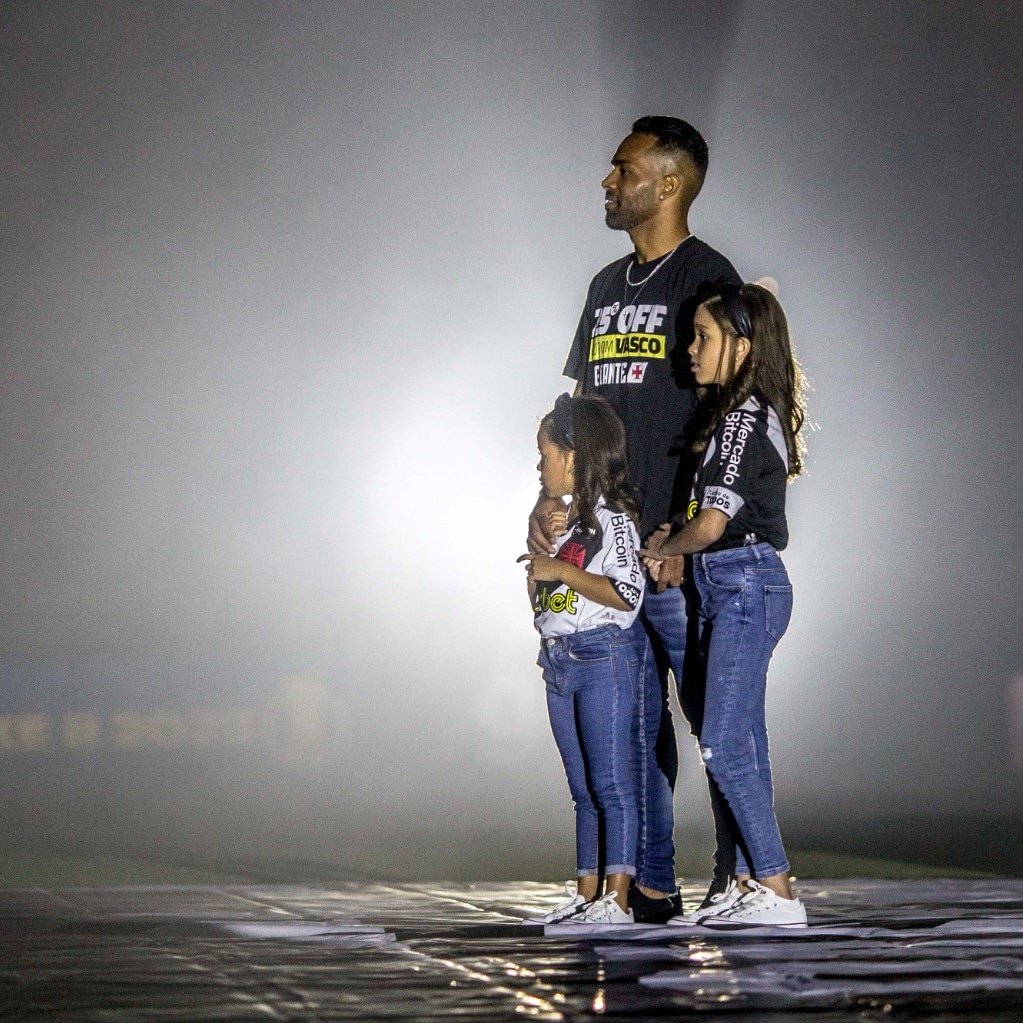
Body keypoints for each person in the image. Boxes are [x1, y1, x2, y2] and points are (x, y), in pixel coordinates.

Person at [528, 116, 741, 921]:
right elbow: (577, 415)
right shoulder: (603, 287)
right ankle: (649, 884)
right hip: (608, 547)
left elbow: (727, 411)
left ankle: (741, 878)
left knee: (712, 721)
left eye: (623, 169)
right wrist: (552, 503)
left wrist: (684, 532)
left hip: (672, 550)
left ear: (668, 183)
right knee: (631, 729)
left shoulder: (707, 276)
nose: (607, 181)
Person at [642, 281, 808, 926]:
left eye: (703, 336)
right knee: (745, 742)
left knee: (722, 741)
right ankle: (746, 882)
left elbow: (711, 526)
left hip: (744, 585)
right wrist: (678, 537)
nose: (689, 349)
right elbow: (708, 521)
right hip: (731, 586)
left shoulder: (741, 418)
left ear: (742, 347)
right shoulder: (734, 416)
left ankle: (777, 890)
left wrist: (668, 547)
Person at [519, 394, 645, 925]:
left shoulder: (614, 521)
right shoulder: (562, 522)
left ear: (573, 457)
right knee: (583, 790)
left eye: (545, 454)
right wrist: (540, 568)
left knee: (611, 784)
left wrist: (563, 572)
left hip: (601, 656)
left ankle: (617, 899)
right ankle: (586, 892)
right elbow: (543, 596)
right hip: (559, 662)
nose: (539, 466)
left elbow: (628, 593)